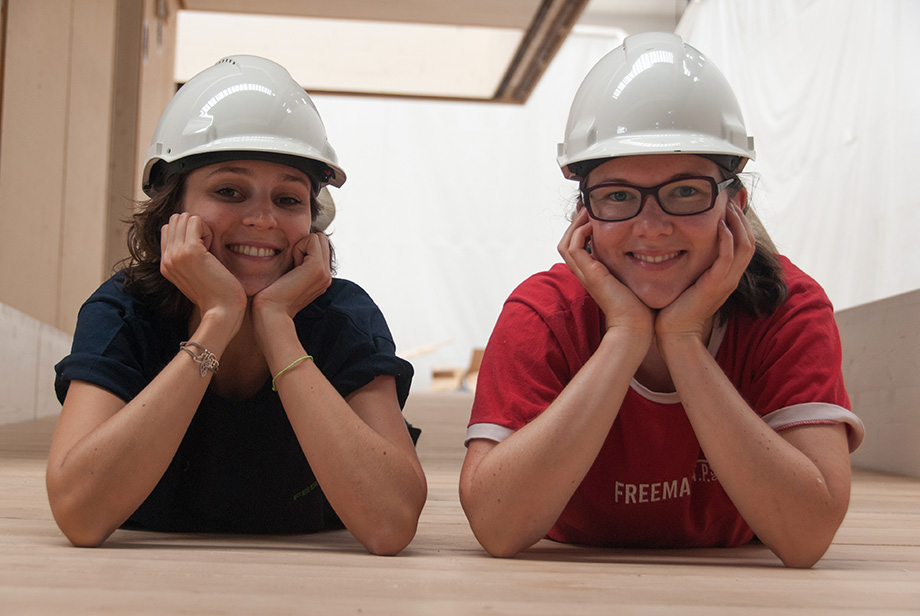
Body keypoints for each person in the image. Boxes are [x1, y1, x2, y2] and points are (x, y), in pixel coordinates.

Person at [458, 33, 864, 568]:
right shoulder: (544, 314)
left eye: (685, 191)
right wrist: (625, 334)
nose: (651, 228)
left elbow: (807, 535)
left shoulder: (787, 308)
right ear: (584, 214)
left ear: (733, 205)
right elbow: (497, 525)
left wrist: (683, 340)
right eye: (619, 195)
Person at [47, 55, 426, 555]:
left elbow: (390, 523)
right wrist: (218, 321)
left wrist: (275, 324)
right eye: (229, 191)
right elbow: (81, 514)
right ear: (172, 208)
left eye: (289, 199)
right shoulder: (124, 311)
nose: (263, 219)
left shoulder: (344, 317)